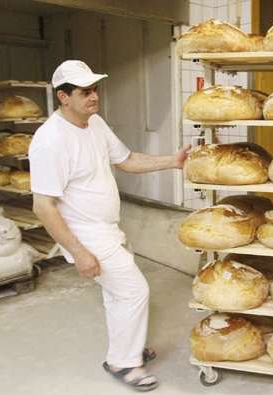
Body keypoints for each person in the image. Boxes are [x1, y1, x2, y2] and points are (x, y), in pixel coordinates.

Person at [29, 60, 190, 391]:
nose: (94, 97)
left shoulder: (96, 123)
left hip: (109, 228)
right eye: (84, 92)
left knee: (119, 297)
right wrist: (79, 252)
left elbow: (126, 159)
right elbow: (42, 206)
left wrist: (170, 161)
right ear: (63, 97)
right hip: (86, 235)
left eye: (95, 90)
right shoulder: (50, 141)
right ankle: (124, 363)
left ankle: (124, 350)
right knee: (134, 291)